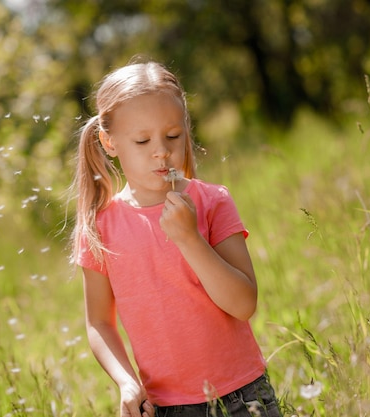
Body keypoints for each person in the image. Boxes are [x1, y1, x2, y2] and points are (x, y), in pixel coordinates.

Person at [72, 59, 281, 417]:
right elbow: (99, 322)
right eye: (142, 140)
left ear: (186, 130)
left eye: (173, 136)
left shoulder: (213, 201)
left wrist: (189, 239)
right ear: (109, 143)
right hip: (167, 407)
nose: (161, 151)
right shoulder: (100, 228)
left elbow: (244, 304)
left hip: (242, 396)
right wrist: (126, 382)